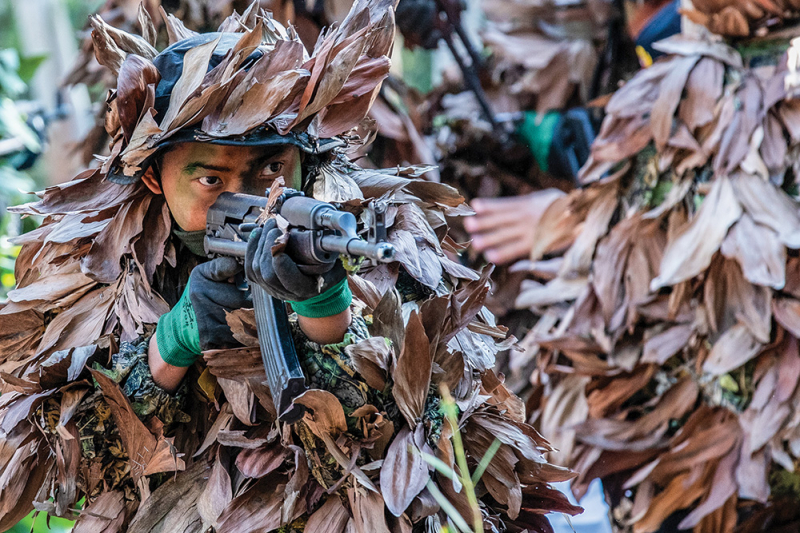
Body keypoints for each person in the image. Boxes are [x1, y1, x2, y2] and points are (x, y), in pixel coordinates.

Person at [0, 2, 581, 531]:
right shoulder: (102, 261)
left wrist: (326, 314)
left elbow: (434, 431)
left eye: (272, 170)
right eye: (211, 179)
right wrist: (168, 346)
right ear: (154, 177)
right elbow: (66, 456)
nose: (250, 196)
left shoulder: (360, 233)